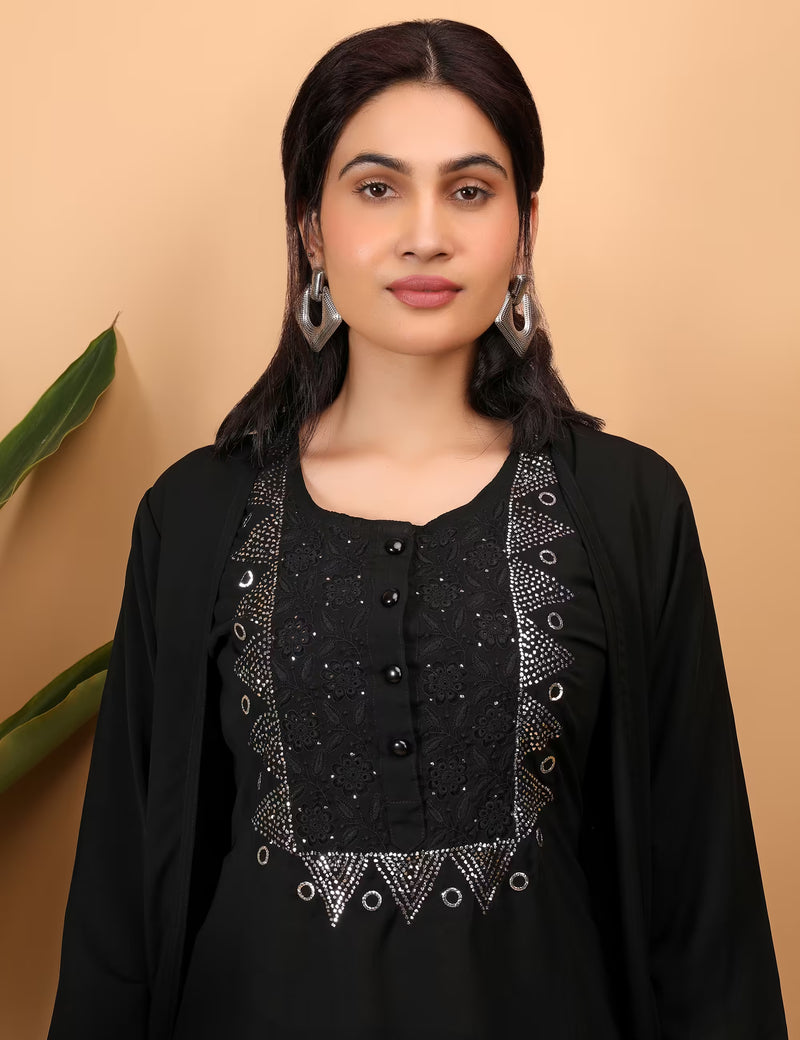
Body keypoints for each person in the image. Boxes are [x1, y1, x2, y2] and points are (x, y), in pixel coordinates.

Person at [47, 18, 788, 1040]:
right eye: (376, 187)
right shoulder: (197, 515)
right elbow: (119, 914)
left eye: (469, 190)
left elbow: (704, 913)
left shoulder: (627, 507)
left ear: (523, 227)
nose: (425, 233)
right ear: (310, 224)